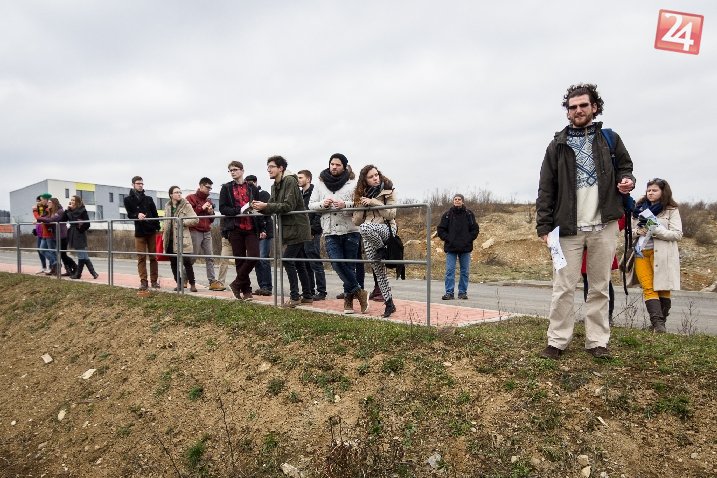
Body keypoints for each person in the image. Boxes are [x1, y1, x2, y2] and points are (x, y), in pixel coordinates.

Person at [536, 83, 635, 360]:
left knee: (599, 286)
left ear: (594, 107)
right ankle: (557, 341)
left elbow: (625, 167)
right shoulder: (557, 145)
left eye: (583, 105)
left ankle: (597, 341)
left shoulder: (610, 139)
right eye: (573, 107)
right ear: (567, 112)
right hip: (567, 229)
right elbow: (546, 188)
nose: (578, 110)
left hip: (604, 225)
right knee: (563, 287)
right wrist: (543, 226)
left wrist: (626, 180)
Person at [309, 153, 369, 314]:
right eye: (332, 164)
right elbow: (311, 205)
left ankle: (348, 302)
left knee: (349, 266)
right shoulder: (320, 184)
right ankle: (359, 292)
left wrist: (345, 204)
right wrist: (323, 204)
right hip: (330, 231)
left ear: (344, 167)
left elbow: (360, 203)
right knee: (336, 262)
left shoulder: (353, 184)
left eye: (338, 165)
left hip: (350, 230)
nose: (334, 167)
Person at [252, 156, 313, 307]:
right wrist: (259, 208)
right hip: (288, 228)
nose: (268, 170)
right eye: (268, 167)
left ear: (281, 168)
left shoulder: (290, 181)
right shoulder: (275, 185)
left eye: (272, 166)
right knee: (299, 263)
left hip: (298, 227)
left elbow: (288, 206)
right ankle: (307, 295)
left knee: (287, 260)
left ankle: (295, 296)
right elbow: (272, 205)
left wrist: (266, 206)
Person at [629, 178, 682, 333]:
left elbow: (677, 234)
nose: (650, 193)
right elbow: (629, 232)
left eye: (654, 190)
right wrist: (639, 231)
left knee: (663, 287)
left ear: (663, 192)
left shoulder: (671, 210)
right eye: (648, 190)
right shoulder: (638, 209)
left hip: (662, 254)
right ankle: (657, 323)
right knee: (648, 287)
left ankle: (659, 325)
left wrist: (655, 229)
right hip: (641, 253)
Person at [352, 164, 397, 317]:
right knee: (378, 271)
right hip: (369, 235)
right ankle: (389, 303)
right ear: (365, 180)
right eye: (371, 177)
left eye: (376, 175)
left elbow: (391, 214)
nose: (375, 178)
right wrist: (360, 204)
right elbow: (357, 221)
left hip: (386, 229)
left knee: (365, 228)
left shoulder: (388, 190)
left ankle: (381, 250)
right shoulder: (361, 194)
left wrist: (373, 202)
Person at [218, 161, 261, 301]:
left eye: (235, 169)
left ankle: (236, 284)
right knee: (240, 260)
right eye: (230, 170)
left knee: (254, 256)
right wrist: (239, 211)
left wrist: (262, 227)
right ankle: (246, 291)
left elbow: (258, 206)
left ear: (242, 171)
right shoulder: (226, 188)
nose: (233, 172)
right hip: (235, 227)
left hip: (251, 227)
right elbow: (223, 208)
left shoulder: (252, 188)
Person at [437, 193, 479, 300]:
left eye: (459, 199)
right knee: (450, 271)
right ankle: (449, 293)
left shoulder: (469, 214)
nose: (457, 201)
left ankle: (462, 293)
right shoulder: (447, 214)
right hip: (451, 248)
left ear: (462, 201)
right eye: (455, 199)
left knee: (465, 272)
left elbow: (475, 229)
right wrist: (448, 238)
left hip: (465, 248)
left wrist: (468, 239)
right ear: (453, 201)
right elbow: (441, 230)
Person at [186, 177, 224, 291]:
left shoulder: (209, 201)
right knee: (192, 257)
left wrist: (211, 212)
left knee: (210, 257)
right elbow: (189, 215)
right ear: (201, 186)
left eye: (210, 188)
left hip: (207, 231)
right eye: (207, 187)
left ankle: (212, 281)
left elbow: (211, 219)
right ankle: (183, 278)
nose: (209, 190)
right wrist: (201, 208)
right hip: (195, 230)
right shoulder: (190, 198)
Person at [123, 176, 161, 290]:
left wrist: (158, 227)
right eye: (138, 183)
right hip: (139, 231)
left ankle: (154, 281)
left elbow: (155, 214)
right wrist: (137, 215)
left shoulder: (148, 199)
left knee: (153, 257)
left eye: (142, 183)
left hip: (151, 230)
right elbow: (130, 214)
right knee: (141, 257)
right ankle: (143, 281)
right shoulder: (128, 199)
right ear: (133, 185)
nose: (140, 185)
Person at [297, 169, 327, 300]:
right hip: (302, 233)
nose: (298, 180)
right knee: (305, 263)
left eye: (300, 177)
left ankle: (321, 291)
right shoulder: (300, 194)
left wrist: (314, 230)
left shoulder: (315, 192)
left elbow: (318, 212)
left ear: (308, 179)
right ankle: (309, 290)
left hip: (312, 232)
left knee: (315, 262)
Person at [163, 186, 200, 292]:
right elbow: (166, 221)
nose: (179, 194)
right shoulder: (167, 206)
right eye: (176, 192)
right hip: (170, 239)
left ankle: (192, 284)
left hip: (182, 238)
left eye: (180, 192)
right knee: (173, 263)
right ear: (171, 195)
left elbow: (195, 220)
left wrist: (182, 222)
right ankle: (179, 283)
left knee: (187, 262)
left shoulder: (186, 205)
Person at [245, 174, 274, 296]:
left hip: (265, 230)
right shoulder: (247, 196)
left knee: (263, 258)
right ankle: (262, 286)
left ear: (256, 182)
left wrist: (265, 230)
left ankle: (267, 286)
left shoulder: (264, 194)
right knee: (256, 259)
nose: (250, 186)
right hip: (254, 231)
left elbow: (266, 212)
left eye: (251, 183)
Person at [36, 198, 78, 277]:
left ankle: (74, 267)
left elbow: (51, 220)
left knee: (62, 254)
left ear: (54, 203)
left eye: (49, 202)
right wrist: (41, 218)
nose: (48, 204)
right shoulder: (51, 211)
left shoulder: (60, 211)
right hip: (55, 235)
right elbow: (45, 218)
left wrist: (39, 218)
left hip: (62, 235)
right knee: (60, 254)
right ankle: (65, 269)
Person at [62, 195, 98, 279]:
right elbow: (63, 220)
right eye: (71, 200)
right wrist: (67, 209)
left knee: (81, 255)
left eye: (73, 200)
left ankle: (78, 274)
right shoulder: (69, 211)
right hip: (72, 233)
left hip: (79, 234)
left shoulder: (82, 210)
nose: (72, 201)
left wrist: (79, 230)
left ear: (77, 202)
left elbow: (87, 224)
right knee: (84, 255)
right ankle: (93, 273)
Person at [32, 194, 50, 273]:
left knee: (45, 249)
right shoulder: (39, 208)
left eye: (39, 201)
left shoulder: (47, 208)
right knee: (39, 250)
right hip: (39, 232)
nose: (37, 203)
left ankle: (52, 266)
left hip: (45, 232)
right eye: (37, 201)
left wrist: (34, 210)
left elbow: (39, 218)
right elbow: (38, 219)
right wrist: (36, 230)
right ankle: (44, 267)